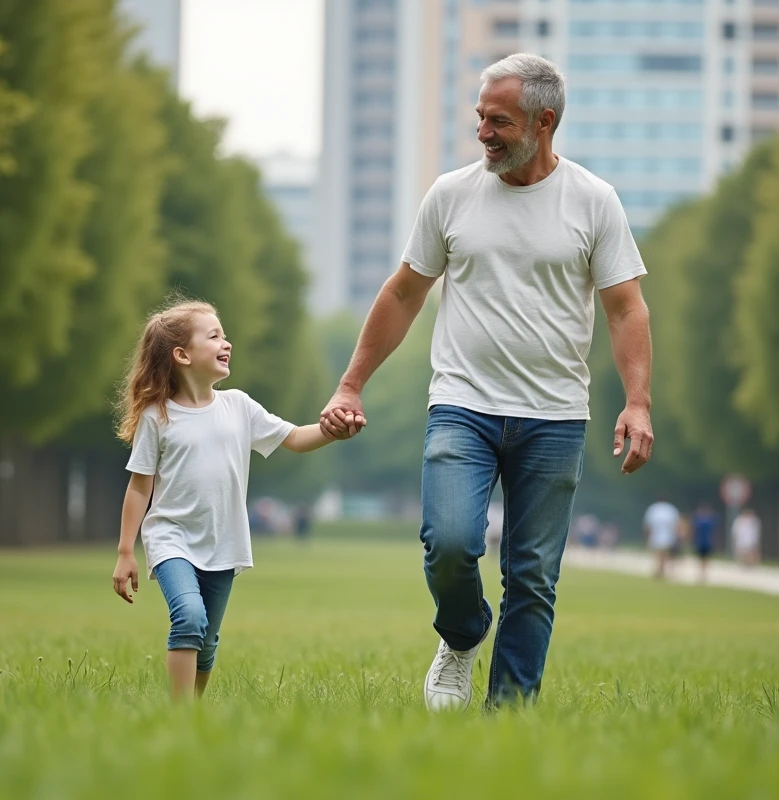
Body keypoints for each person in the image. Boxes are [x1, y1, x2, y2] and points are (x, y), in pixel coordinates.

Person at [320, 54, 654, 710]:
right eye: (480, 118)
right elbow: (404, 293)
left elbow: (625, 309)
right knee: (448, 543)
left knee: (532, 577)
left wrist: (637, 402)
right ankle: (463, 633)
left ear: (544, 122)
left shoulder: (594, 201)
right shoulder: (451, 195)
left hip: (555, 415)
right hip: (462, 405)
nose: (483, 133)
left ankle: (509, 716)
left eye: (498, 121)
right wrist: (350, 385)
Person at [110, 300, 362, 700]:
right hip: (170, 539)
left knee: (207, 640)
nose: (226, 343)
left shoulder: (239, 406)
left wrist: (334, 431)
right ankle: (178, 715)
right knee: (189, 618)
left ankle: (194, 710)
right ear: (182, 355)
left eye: (224, 335)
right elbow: (140, 487)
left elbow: (295, 438)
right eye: (214, 336)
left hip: (223, 542)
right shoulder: (157, 417)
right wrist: (126, 551)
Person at [643, 497, 680, 580]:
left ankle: (660, 570)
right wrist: (677, 535)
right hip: (667, 535)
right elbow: (676, 524)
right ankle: (661, 569)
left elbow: (648, 524)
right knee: (663, 554)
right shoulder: (671, 509)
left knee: (659, 554)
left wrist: (647, 536)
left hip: (656, 535)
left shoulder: (653, 509)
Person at [690, 501, 719, 583]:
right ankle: (703, 573)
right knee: (703, 558)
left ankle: (703, 573)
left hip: (704, 541)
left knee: (704, 558)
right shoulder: (709, 519)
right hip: (702, 541)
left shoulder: (700, 519)